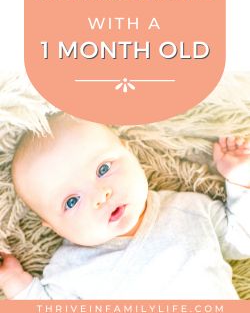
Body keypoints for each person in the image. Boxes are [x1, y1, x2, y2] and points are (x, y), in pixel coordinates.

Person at [0, 113, 249, 299]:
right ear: (53, 226)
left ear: (129, 152)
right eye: (72, 201)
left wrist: (240, 181)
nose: (101, 195)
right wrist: (16, 283)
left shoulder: (188, 210)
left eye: (104, 169)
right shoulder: (71, 269)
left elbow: (242, 239)